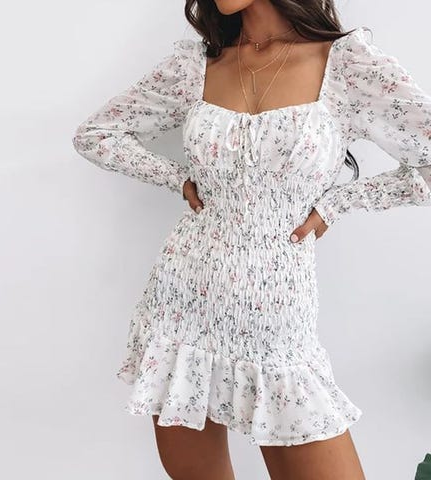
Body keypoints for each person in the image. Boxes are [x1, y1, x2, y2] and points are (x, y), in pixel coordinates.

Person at [72, 1, 431, 478]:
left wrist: (341, 202)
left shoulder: (348, 65)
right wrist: (175, 178)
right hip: (183, 302)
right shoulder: (195, 65)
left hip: (278, 318)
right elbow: (97, 135)